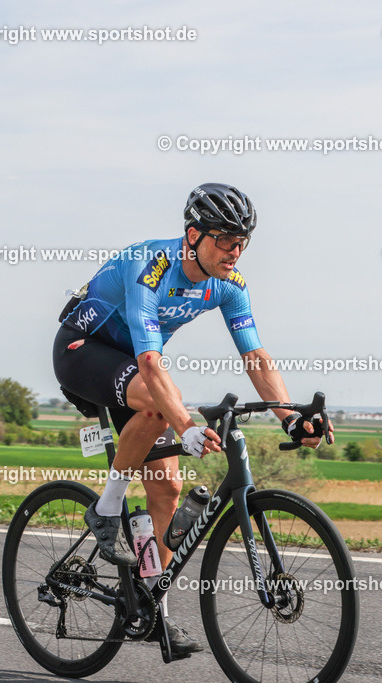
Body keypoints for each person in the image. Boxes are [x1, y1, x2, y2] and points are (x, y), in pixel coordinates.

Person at [52, 182, 332, 655]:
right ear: (193, 235)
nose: (235, 251)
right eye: (225, 239)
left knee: (167, 486)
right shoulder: (150, 266)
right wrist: (185, 425)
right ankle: (106, 508)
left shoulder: (229, 285)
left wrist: (289, 416)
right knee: (164, 404)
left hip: (133, 370)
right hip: (83, 352)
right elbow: (150, 363)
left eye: (242, 241)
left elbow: (255, 355)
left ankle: (150, 610)